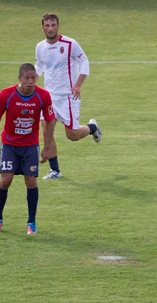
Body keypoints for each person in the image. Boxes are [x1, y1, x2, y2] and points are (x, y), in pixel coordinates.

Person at [0, 63, 56, 234]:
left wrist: (47, 147)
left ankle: (31, 223)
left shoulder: (43, 96)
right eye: (27, 78)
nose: (31, 81)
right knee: (6, 180)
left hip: (30, 145)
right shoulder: (6, 95)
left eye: (34, 78)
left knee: (31, 181)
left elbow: (50, 120)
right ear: (19, 79)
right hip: (9, 144)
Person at [35, 13, 102, 180]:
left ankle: (92, 128)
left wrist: (78, 85)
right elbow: (40, 66)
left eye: (53, 25)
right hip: (49, 96)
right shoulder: (40, 47)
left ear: (58, 27)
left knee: (72, 135)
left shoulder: (70, 44)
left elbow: (84, 62)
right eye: (47, 25)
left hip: (67, 97)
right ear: (42, 27)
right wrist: (29, 84)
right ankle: (55, 170)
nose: (50, 28)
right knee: (46, 132)